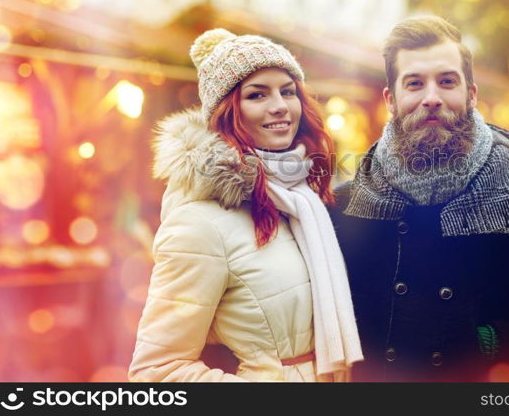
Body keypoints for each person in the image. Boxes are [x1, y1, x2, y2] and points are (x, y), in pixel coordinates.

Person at [328, 15, 509, 382]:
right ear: (391, 100)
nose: (431, 98)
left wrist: (486, 344)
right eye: (414, 84)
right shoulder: (346, 207)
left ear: (471, 94)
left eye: (447, 82)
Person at [129, 28, 362, 382]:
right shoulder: (199, 223)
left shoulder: (302, 201)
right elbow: (156, 371)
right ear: (226, 112)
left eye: (288, 91)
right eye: (257, 94)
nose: (280, 106)